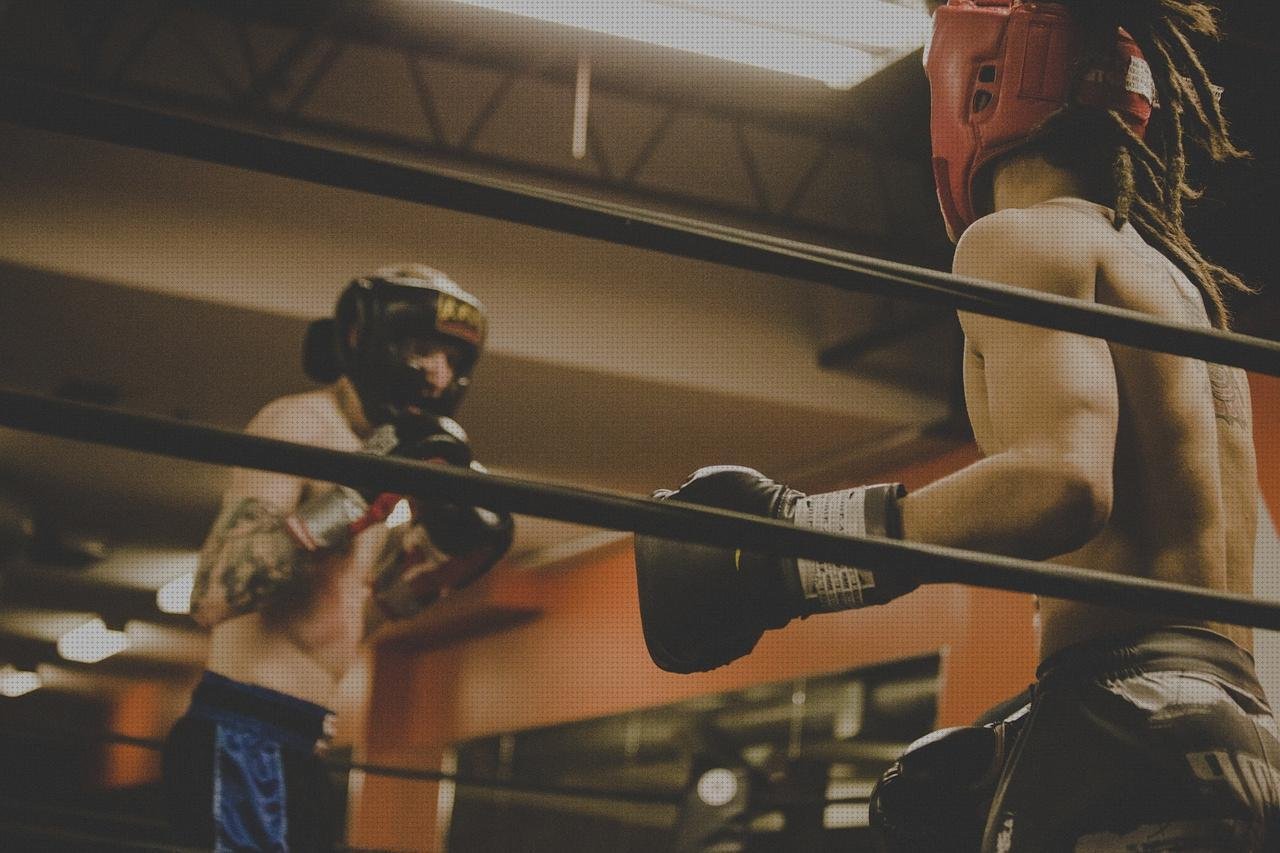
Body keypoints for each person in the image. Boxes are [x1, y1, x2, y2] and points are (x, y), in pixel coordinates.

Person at [634, 1, 1280, 848]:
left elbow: (1062, 482)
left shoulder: (1017, 242)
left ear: (973, 87)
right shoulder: (1181, 291)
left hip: (1127, 718)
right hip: (1243, 730)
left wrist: (795, 552)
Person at [162, 265, 513, 851]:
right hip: (243, 733)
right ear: (361, 337)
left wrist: (423, 577)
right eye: (424, 348)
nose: (439, 372)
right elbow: (213, 596)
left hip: (302, 742)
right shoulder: (299, 421)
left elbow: (340, 618)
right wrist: (346, 500)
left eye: (454, 359)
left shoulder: (393, 454)